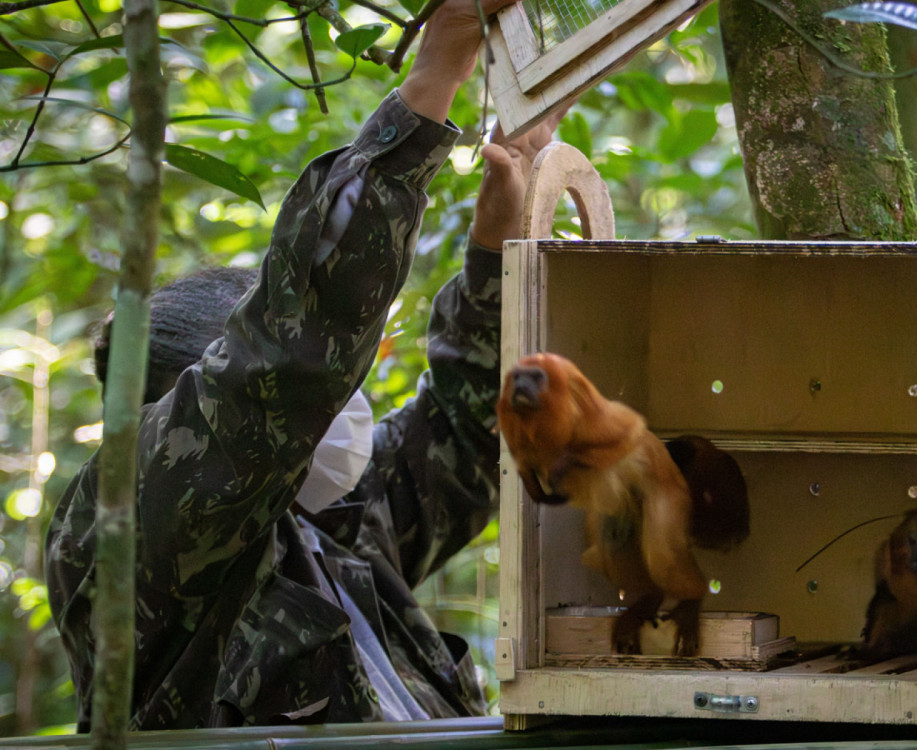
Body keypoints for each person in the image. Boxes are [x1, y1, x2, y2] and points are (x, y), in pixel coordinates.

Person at [44, 0, 563, 730]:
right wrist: (433, 77)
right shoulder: (127, 525)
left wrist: (496, 246)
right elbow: (289, 357)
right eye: (319, 393)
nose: (341, 405)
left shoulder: (330, 524)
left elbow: (468, 431)